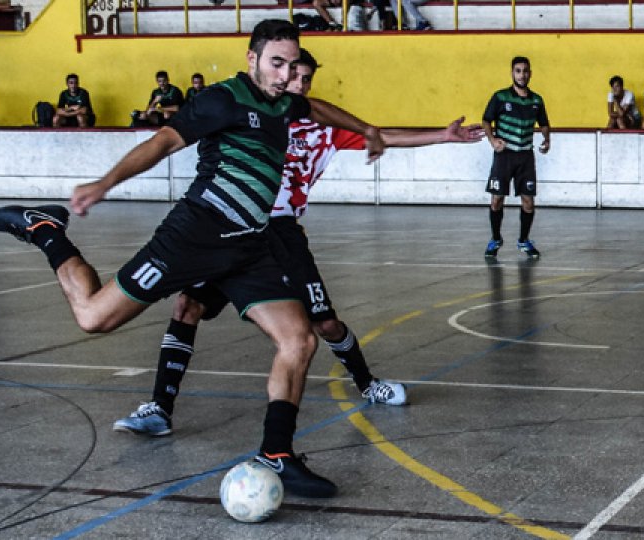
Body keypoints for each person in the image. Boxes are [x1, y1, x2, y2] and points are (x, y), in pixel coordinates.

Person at [0, 19, 393, 500]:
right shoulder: (223, 99)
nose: (284, 74)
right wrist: (103, 185)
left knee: (299, 340)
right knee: (94, 316)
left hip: (250, 243)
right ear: (252, 59)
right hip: (196, 233)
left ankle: (277, 455)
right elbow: (163, 142)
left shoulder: (284, 100)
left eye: (290, 64)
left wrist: (366, 128)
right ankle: (46, 231)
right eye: (275, 63)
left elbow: (314, 107)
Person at [113, 48, 482, 436]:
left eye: (306, 79)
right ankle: (159, 408)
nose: (299, 84)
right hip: (231, 226)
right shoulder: (250, 115)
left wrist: (443, 135)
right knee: (186, 306)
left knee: (325, 323)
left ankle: (369, 384)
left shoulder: (320, 128)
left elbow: (382, 134)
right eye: (294, 76)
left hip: (282, 232)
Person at [481, 56, 550, 260]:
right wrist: (492, 140)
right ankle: (495, 239)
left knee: (528, 201)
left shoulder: (536, 100)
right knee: (496, 199)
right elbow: (486, 121)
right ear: (512, 73)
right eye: (518, 71)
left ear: (530, 73)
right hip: (504, 156)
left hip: (525, 156)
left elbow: (544, 123)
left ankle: (524, 240)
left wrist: (547, 139)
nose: (522, 75)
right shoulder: (500, 97)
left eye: (525, 71)